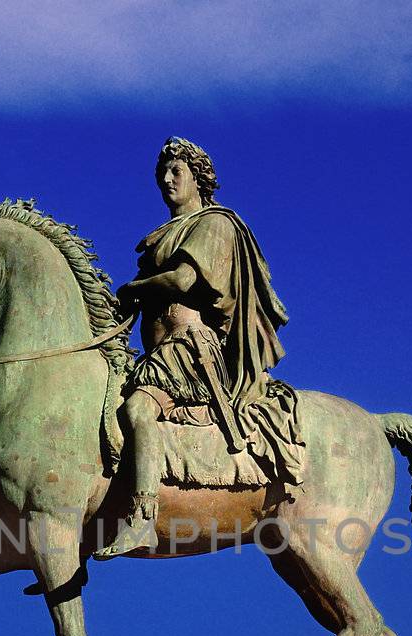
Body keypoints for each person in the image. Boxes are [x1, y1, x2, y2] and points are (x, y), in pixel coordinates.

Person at [95, 136, 303, 559]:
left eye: (177, 172)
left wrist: (133, 288)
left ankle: (142, 517)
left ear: (198, 178)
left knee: (137, 410)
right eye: (162, 173)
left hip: (190, 349)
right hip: (156, 353)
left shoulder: (214, 223)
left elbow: (183, 281)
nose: (167, 180)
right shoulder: (161, 234)